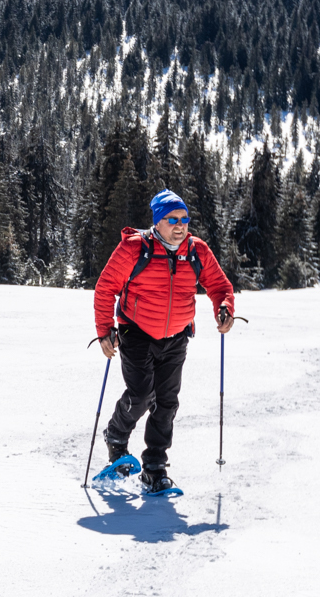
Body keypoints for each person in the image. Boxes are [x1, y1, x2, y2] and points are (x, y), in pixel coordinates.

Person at [92, 189, 236, 494]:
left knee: (167, 402)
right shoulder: (134, 248)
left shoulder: (197, 251)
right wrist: (105, 330)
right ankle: (116, 437)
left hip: (177, 337)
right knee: (142, 395)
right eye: (173, 219)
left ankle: (155, 468)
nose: (180, 225)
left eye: (184, 219)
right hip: (136, 332)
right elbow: (105, 287)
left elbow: (219, 286)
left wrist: (224, 308)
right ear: (158, 222)